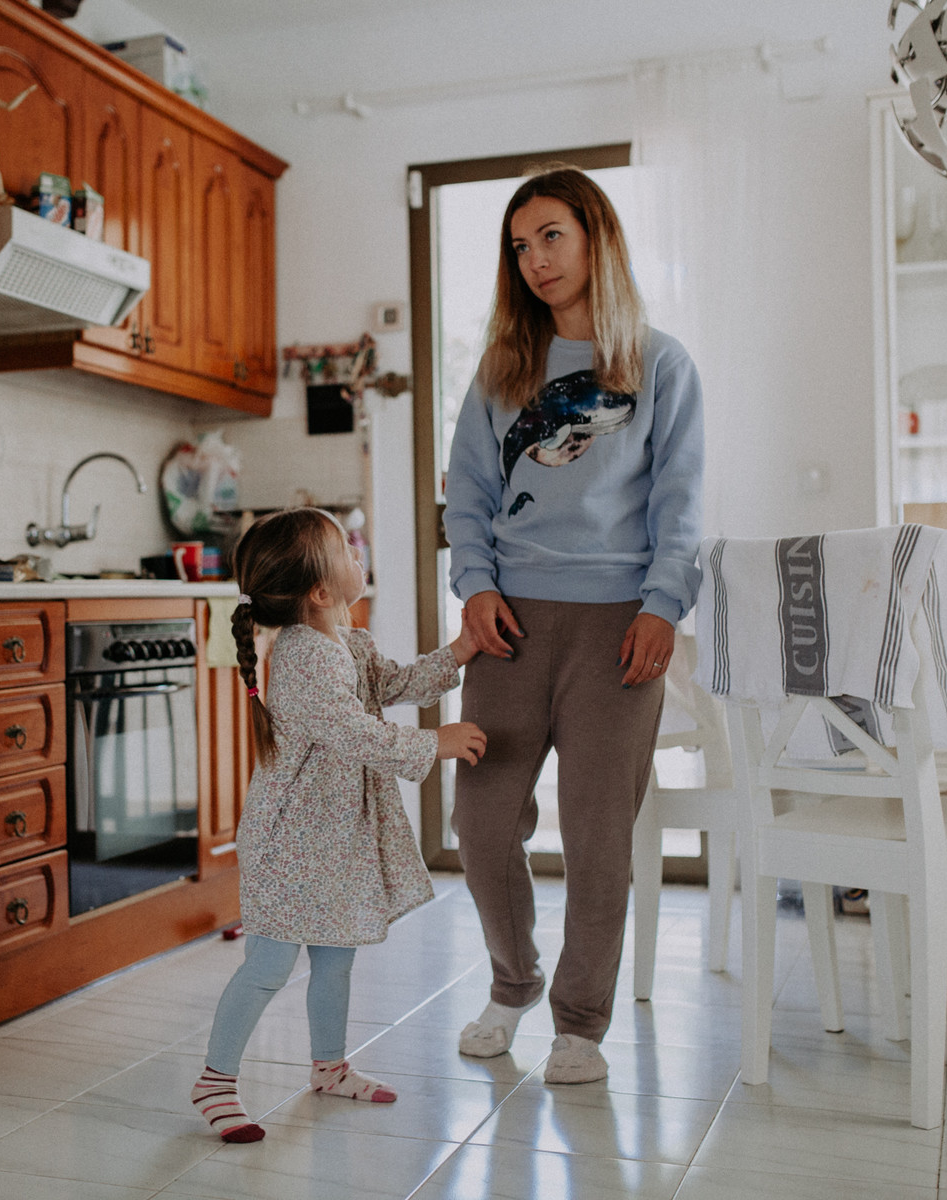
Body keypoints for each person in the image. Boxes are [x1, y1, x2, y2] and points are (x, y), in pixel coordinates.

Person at [443, 164, 705, 1085]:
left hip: (617, 626)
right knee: (480, 823)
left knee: (598, 835)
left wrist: (663, 603)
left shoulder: (660, 363)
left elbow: (681, 499)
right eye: (519, 246)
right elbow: (467, 495)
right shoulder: (501, 370)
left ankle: (580, 1022)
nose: (535, 259)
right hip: (509, 624)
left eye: (551, 235)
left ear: (596, 236)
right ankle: (511, 984)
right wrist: (473, 587)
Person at [190, 507, 488, 1142]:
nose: (361, 554)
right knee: (268, 966)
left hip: (333, 841)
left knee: (335, 961)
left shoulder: (347, 642)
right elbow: (351, 732)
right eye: (348, 551)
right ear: (321, 591)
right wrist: (432, 743)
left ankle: (328, 1067)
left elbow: (396, 685)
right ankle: (215, 1080)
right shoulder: (303, 656)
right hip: (291, 844)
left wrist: (460, 651)